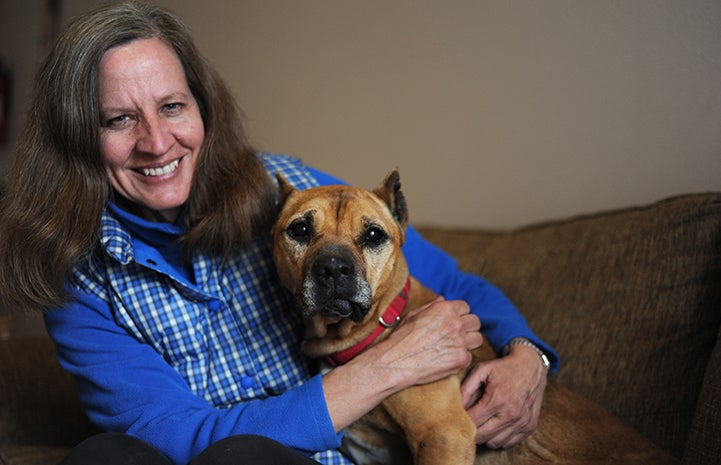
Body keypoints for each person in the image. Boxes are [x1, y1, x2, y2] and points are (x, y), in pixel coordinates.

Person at [0, 2, 557, 464]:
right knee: (105, 458)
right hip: (225, 453)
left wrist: (528, 358)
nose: (157, 141)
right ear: (75, 136)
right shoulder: (77, 277)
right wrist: (385, 368)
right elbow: (168, 436)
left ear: (203, 110)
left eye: (173, 106)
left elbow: (458, 283)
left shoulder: (287, 192)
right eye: (119, 119)